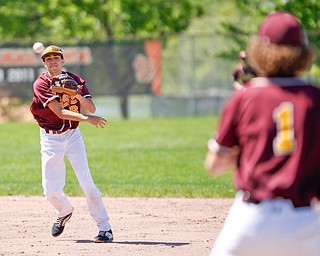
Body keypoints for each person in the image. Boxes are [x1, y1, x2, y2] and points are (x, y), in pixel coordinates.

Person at [204, 11, 320, 256]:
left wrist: (247, 150)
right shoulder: (315, 98)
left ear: (260, 49)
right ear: (302, 51)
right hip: (304, 222)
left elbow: (214, 165)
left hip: (252, 219)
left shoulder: (245, 97)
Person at [30, 45, 113, 243]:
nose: (53, 62)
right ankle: (64, 211)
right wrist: (88, 119)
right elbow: (59, 112)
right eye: (48, 59)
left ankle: (105, 229)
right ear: (44, 63)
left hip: (73, 136)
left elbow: (91, 106)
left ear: (62, 61)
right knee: (50, 191)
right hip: (50, 139)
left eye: (56, 58)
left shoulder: (75, 80)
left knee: (88, 185)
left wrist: (75, 93)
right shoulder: (41, 84)